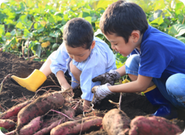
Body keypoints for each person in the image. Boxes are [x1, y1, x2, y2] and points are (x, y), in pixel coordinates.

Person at [91, 0, 185, 119]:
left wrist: (107, 89)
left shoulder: (152, 44)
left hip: (180, 86)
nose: (113, 48)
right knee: (133, 62)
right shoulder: (140, 36)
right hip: (174, 92)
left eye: (115, 43)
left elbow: (141, 85)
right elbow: (139, 64)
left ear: (134, 36)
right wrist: (113, 74)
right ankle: (166, 108)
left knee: (175, 83)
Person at [11, 18, 117, 112]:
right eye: (71, 53)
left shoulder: (96, 59)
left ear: (92, 45)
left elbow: (92, 81)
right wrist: (63, 83)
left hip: (101, 81)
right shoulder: (71, 43)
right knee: (55, 56)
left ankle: (79, 91)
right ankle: (33, 82)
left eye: (80, 55)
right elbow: (56, 62)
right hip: (82, 70)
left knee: (74, 67)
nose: (75, 58)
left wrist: (86, 106)